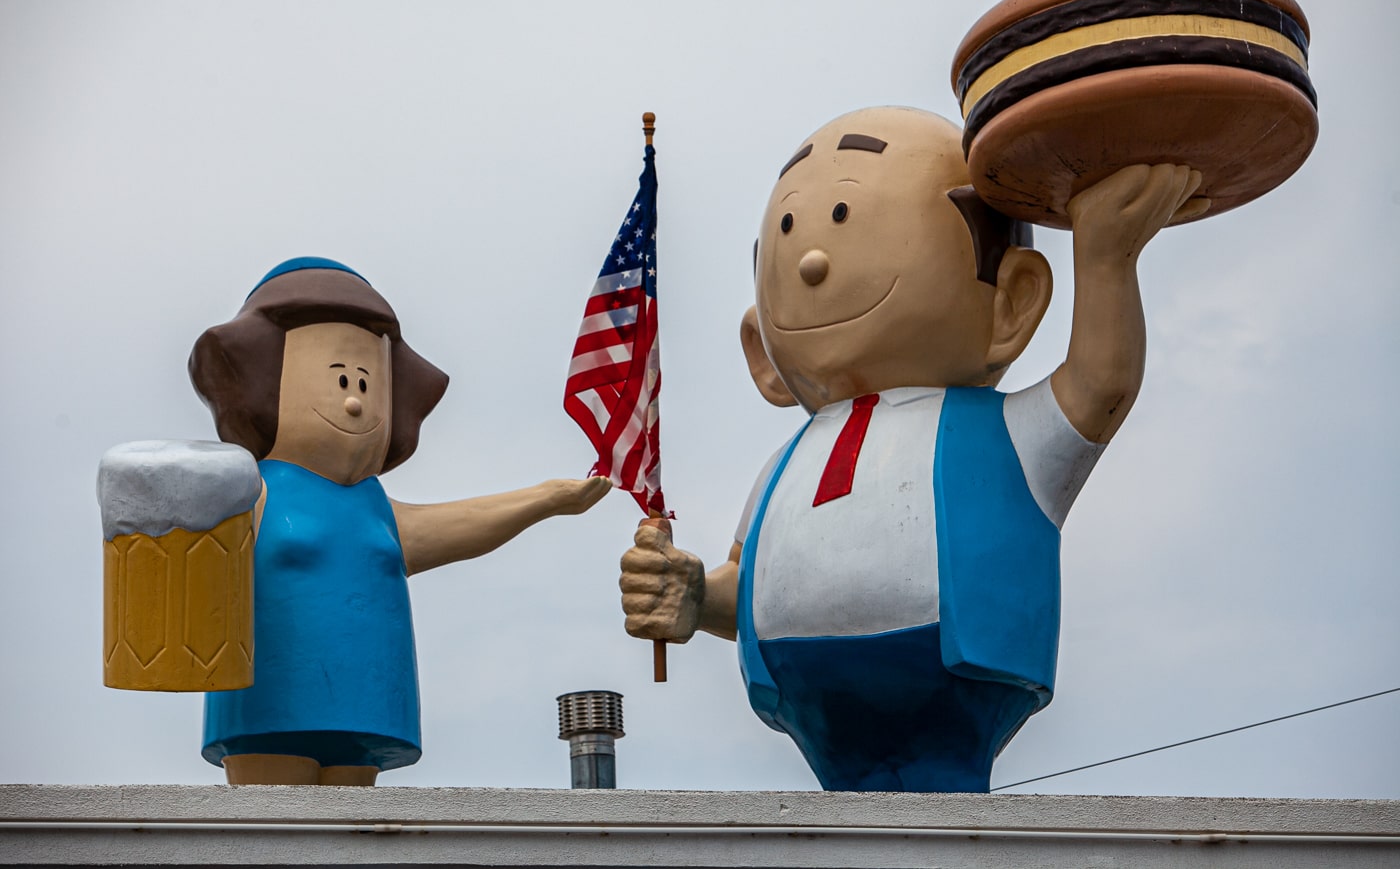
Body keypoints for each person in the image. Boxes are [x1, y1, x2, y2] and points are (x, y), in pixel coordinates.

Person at [618, 107, 1207, 791]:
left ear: (1012, 301)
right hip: (809, 708)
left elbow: (1100, 383)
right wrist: (697, 595)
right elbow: (747, 581)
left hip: (957, 678)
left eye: (844, 218)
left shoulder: (1005, 435)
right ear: (762, 350)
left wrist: (1105, 261)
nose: (811, 261)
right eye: (791, 231)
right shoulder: (783, 469)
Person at [189, 257, 610, 786]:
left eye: (364, 382)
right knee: (275, 831)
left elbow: (456, 524)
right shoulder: (252, 490)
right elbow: (188, 553)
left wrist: (545, 499)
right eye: (339, 378)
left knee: (354, 841)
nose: (351, 400)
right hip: (266, 708)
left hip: (366, 708)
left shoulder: (374, 505)